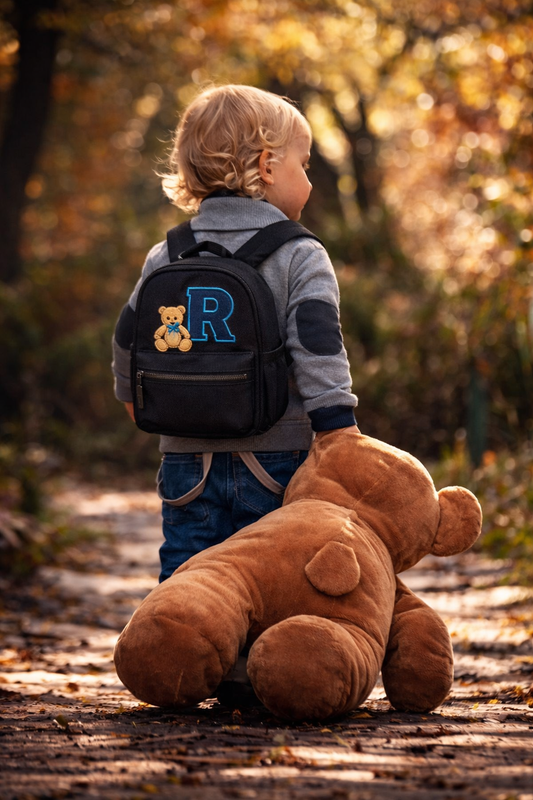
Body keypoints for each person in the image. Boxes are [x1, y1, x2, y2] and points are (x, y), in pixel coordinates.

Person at [112, 84, 358, 584]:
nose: (308, 179)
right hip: (277, 455)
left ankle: (184, 652)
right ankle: (259, 661)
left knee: (189, 575)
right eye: (304, 165)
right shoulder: (300, 253)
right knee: (271, 577)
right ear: (268, 166)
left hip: (185, 457)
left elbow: (127, 336)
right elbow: (317, 344)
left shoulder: (167, 254)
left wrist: (134, 400)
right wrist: (338, 428)